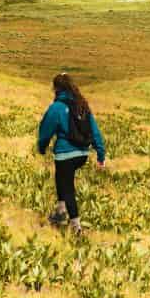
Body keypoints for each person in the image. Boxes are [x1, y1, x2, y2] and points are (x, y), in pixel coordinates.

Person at [36, 72, 106, 234]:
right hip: (82, 154)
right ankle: (60, 212)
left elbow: (45, 130)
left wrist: (42, 147)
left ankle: (76, 227)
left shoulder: (57, 107)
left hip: (65, 154)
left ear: (56, 88)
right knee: (61, 178)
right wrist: (100, 155)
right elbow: (95, 131)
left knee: (67, 187)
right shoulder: (82, 105)